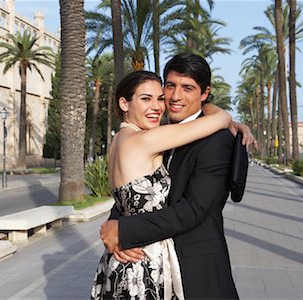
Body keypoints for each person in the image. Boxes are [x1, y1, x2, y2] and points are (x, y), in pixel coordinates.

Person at [100, 53, 248, 300]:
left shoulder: (218, 140)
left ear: (204, 93)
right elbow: (132, 189)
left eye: (188, 88)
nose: (176, 97)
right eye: (170, 86)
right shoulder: (158, 130)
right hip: (146, 263)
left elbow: (193, 209)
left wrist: (124, 231)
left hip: (195, 268)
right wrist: (114, 225)